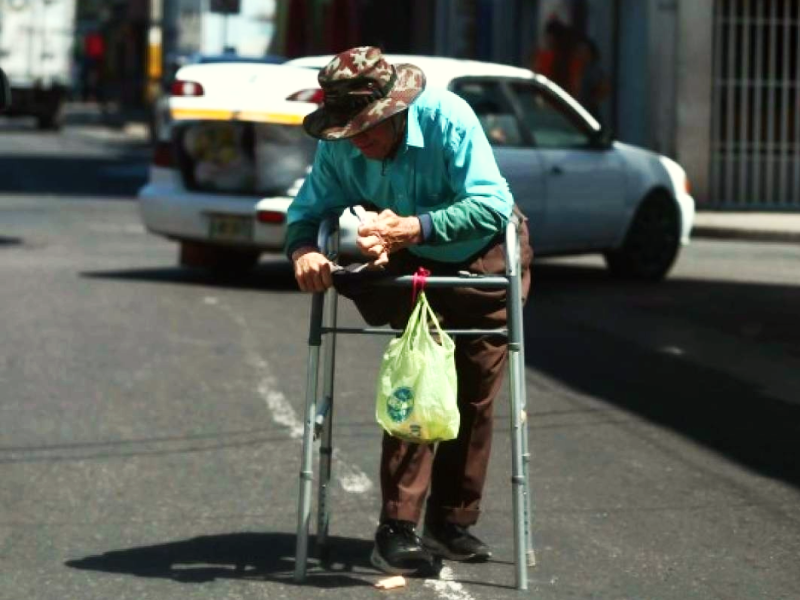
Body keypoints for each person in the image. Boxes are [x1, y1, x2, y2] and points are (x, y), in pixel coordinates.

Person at [285, 47, 532, 575]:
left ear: (395, 110)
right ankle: (397, 527)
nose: (358, 140)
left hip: (479, 248)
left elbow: (491, 203)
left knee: (474, 390)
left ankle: (451, 522)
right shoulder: (342, 145)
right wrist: (304, 249)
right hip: (409, 254)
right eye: (348, 130)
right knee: (421, 380)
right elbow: (309, 211)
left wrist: (412, 228)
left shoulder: (448, 118)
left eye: (367, 128)